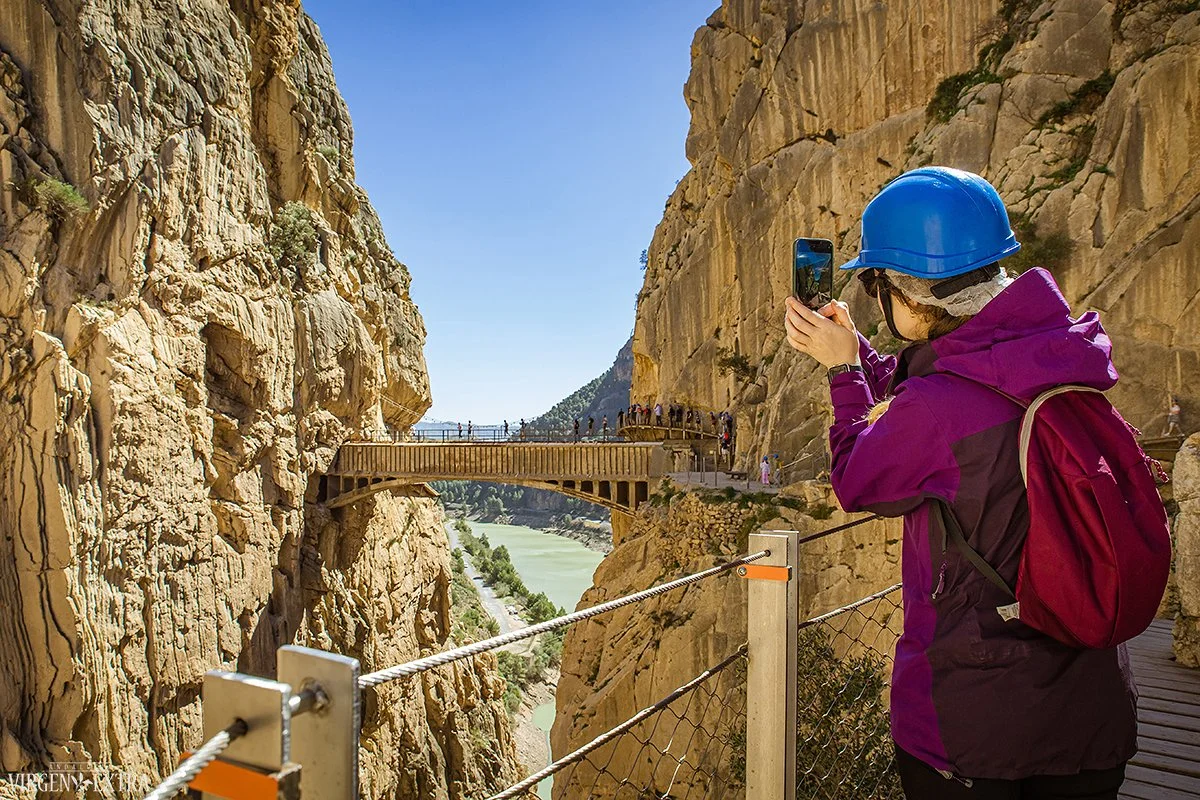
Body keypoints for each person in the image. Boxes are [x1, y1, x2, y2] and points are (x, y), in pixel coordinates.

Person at [783, 166, 1133, 799]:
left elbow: (858, 478)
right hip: (1092, 710)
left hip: (979, 728)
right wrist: (861, 352)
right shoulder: (1053, 349)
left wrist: (841, 374)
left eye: (874, 285)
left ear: (908, 294)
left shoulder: (936, 411)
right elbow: (960, 384)